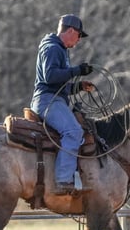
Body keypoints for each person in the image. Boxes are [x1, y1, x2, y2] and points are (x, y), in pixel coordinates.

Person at [30, 14, 96, 195]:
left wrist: (78, 86)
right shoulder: (52, 48)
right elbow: (50, 77)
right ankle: (63, 181)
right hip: (47, 101)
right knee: (73, 132)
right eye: (79, 35)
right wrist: (76, 71)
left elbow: (57, 84)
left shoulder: (59, 49)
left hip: (52, 99)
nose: (79, 40)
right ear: (71, 31)